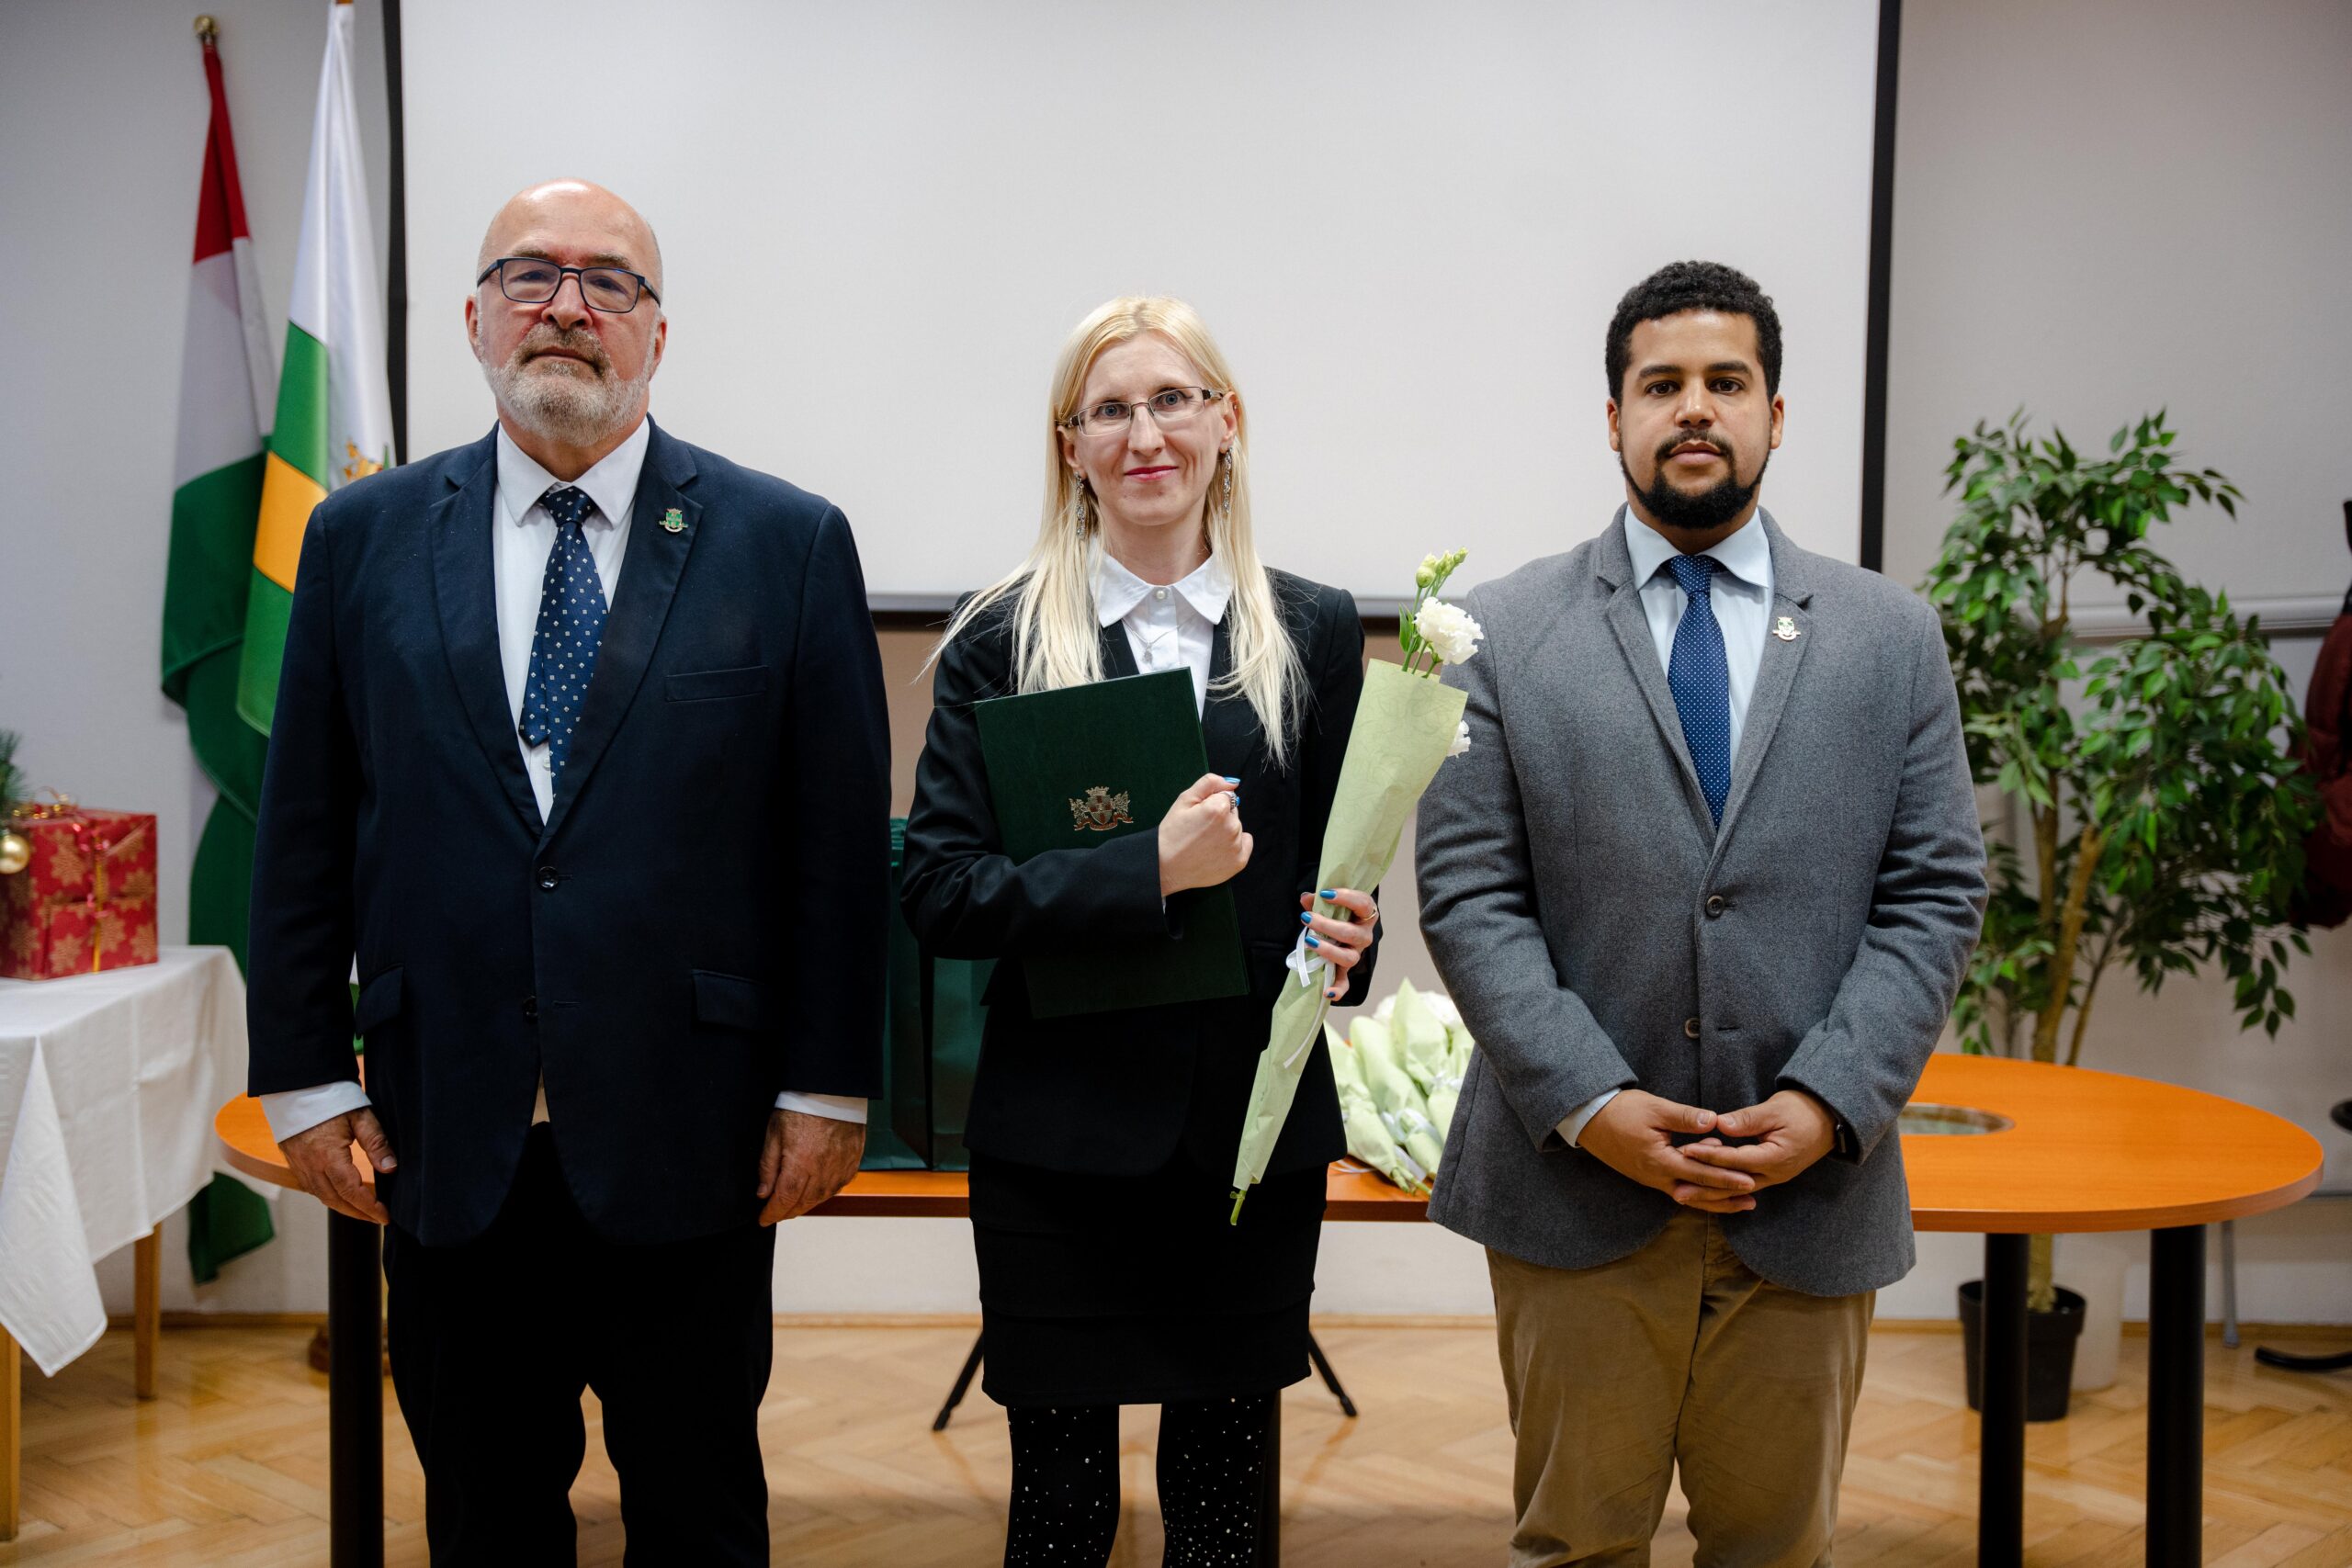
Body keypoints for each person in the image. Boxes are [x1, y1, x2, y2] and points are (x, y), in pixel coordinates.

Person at [245, 178, 891, 1564]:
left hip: (696, 1135)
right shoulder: (360, 538)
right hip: (443, 1129)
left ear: (658, 333)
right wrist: (303, 1078)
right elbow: (303, 826)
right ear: (476, 317)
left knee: (700, 1515)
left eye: (610, 282)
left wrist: (827, 1085)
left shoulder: (786, 543)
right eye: (530, 275)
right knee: (483, 1517)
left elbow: (835, 851)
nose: (568, 307)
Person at [1415, 260, 1988, 1567]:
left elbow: (1935, 893)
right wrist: (1592, 1103)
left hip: (1808, 1197)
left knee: (1776, 1552)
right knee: (1575, 1547)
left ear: (1773, 415)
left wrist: (1829, 1102)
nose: (1693, 408)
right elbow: (1469, 895)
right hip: (1575, 1191)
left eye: (1726, 382)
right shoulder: (1496, 632)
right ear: (1613, 417)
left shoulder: (1890, 636)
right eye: (1660, 383)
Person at [900, 296, 1378, 1565]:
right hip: (1056, 1145)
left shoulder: (1316, 627)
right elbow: (940, 891)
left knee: (1222, 1514)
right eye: (1108, 410)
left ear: (1228, 422)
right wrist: (1146, 873)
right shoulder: (999, 634)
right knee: (1060, 1512)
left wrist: (1349, 937)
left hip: (1249, 1142)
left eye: (1173, 400)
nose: (1145, 434)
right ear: (1071, 447)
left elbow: (1333, 884)